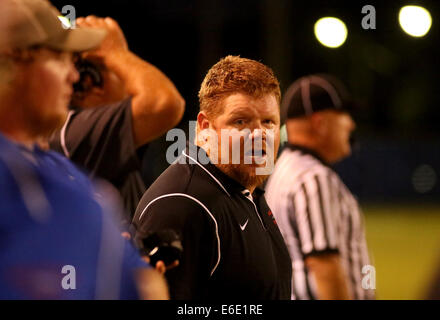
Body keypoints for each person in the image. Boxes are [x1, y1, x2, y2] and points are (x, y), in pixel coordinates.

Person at [0, 0, 168, 299]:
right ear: (14, 63)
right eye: (59, 58)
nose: (74, 76)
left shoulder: (66, 179)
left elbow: (146, 286)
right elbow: (163, 104)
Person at [132, 55, 292, 300]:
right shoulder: (182, 204)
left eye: (268, 122)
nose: (259, 135)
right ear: (205, 127)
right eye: (241, 122)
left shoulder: (245, 188)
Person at [49, 15, 185, 225]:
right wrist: (114, 52)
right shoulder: (71, 132)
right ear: (89, 81)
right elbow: (163, 103)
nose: (131, 79)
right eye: (118, 66)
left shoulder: (86, 134)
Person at [265, 74, 375, 300]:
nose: (351, 124)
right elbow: (324, 266)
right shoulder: (313, 178)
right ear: (320, 123)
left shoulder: (283, 168)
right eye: (344, 115)